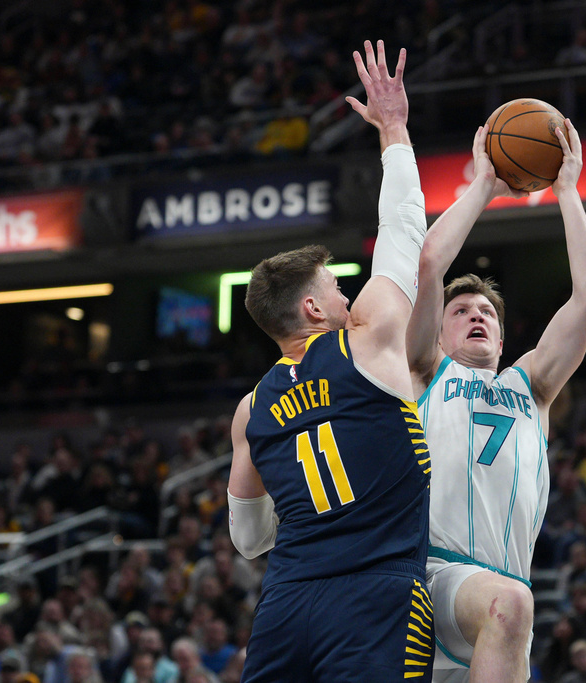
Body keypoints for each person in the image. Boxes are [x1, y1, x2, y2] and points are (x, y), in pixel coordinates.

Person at [227, 40, 433, 682]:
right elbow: (403, 230)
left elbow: (249, 539)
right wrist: (394, 130)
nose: (347, 295)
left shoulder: (250, 409)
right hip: (376, 595)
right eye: (335, 288)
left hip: (287, 606)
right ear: (313, 311)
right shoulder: (366, 342)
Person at [407, 116, 586, 681]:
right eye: (462, 311)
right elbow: (428, 265)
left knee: (513, 605)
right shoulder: (425, 371)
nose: (477, 315)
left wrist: (566, 190)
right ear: (440, 333)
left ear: (501, 337)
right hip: (434, 581)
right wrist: (484, 187)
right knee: (512, 605)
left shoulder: (532, 386)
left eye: (487, 312)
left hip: (503, 595)